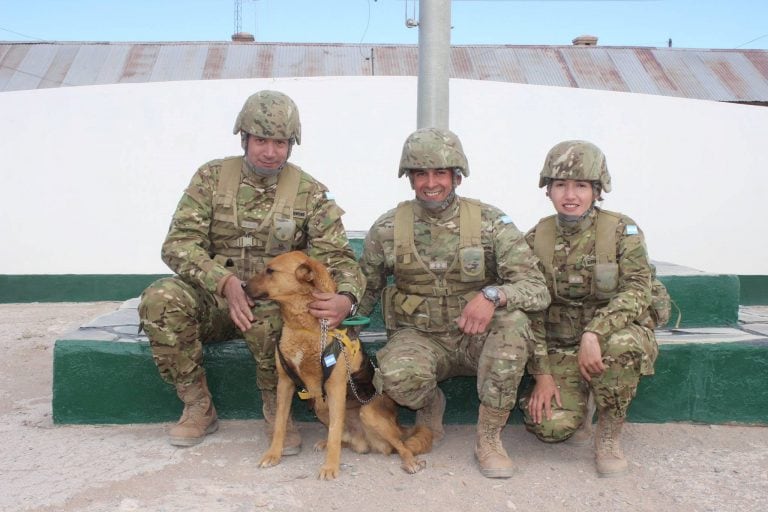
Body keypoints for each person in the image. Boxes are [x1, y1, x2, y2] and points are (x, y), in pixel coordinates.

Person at [138, 90, 365, 451]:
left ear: (291, 144)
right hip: (213, 300)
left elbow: (338, 258)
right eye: (261, 140)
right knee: (160, 299)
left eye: (280, 142)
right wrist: (224, 281)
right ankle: (198, 406)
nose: (270, 151)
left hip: (270, 305)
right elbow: (178, 244)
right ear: (244, 137)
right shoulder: (211, 178)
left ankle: (278, 411)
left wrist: (345, 298)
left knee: (285, 318)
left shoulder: (309, 193)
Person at [357, 128, 550, 479]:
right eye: (421, 174)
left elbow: (536, 287)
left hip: (476, 339)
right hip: (419, 337)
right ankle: (430, 403)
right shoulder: (387, 228)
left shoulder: (490, 222)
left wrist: (493, 295)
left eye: (440, 173)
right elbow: (365, 290)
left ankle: (489, 438)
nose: (431, 183)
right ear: (410, 178)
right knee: (399, 377)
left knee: (514, 325)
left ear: (457, 176)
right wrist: (341, 320)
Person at [521, 140, 660, 478]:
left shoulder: (621, 231)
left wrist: (594, 331)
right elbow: (530, 309)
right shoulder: (536, 238)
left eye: (581, 185)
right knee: (550, 428)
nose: (570, 194)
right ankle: (581, 404)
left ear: (597, 190)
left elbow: (638, 289)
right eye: (561, 185)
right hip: (561, 344)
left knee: (622, 345)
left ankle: (609, 434)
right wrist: (542, 374)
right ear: (548, 190)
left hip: (612, 335)